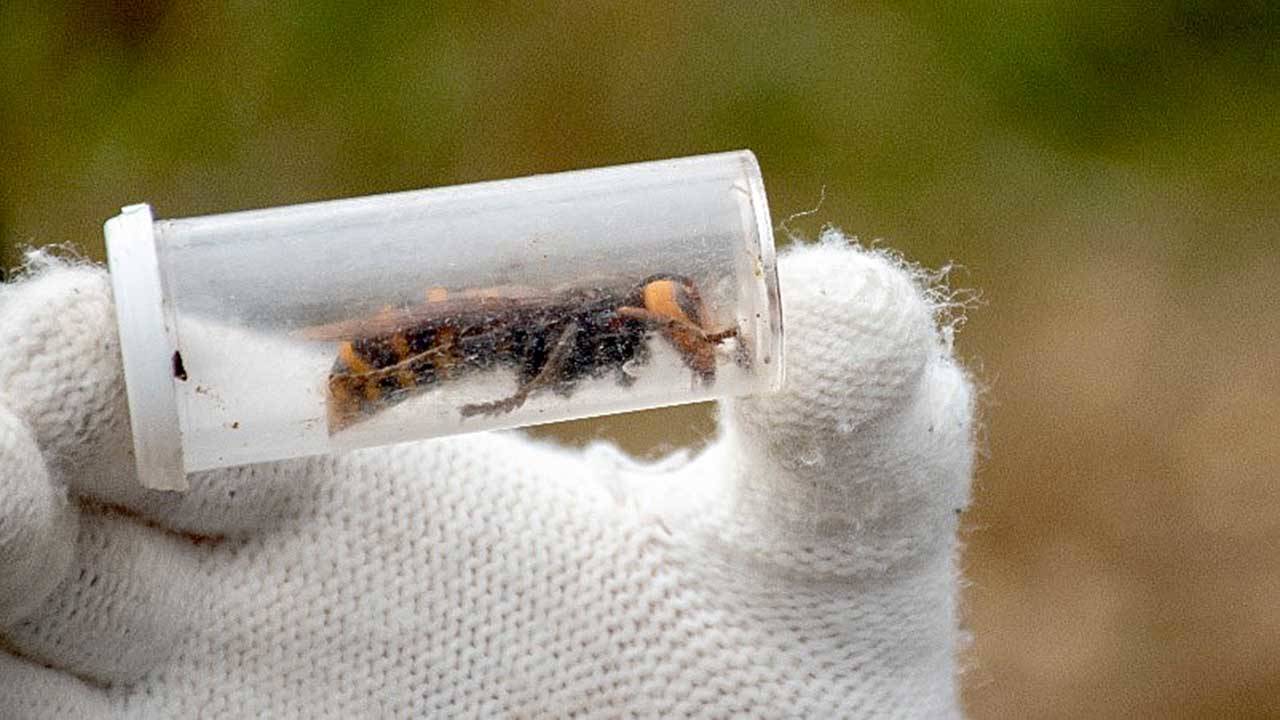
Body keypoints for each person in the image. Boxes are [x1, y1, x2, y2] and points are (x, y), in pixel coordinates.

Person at [0, 235, 974, 718]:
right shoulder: (592, 317)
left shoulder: (620, 323)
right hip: (403, 361)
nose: (694, 334)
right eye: (683, 320)